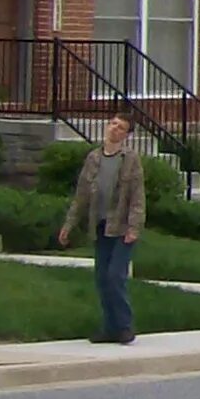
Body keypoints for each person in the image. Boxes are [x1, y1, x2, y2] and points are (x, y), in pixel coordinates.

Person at [58, 116, 147, 345]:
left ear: (127, 135)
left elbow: (137, 197)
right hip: (100, 226)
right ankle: (110, 328)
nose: (115, 129)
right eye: (113, 124)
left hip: (122, 226)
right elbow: (81, 196)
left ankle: (125, 326)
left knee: (116, 276)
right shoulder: (94, 158)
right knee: (102, 278)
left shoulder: (130, 160)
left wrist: (134, 227)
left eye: (121, 128)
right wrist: (68, 225)